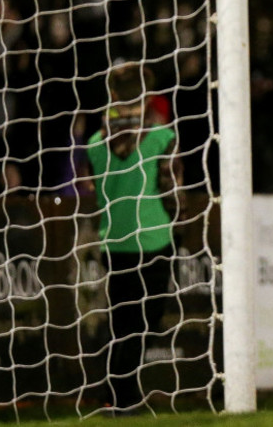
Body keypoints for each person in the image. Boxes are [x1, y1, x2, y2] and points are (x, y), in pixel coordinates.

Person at [87, 62, 185, 413]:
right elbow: (172, 192)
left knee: (121, 322)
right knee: (145, 323)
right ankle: (124, 397)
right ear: (145, 97)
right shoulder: (163, 137)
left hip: (114, 242)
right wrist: (180, 225)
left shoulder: (95, 143)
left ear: (113, 94)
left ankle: (118, 394)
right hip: (155, 239)